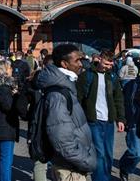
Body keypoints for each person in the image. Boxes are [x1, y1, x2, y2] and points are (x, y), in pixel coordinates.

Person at [37, 43, 96, 181]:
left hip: (75, 165)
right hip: (71, 167)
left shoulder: (67, 85)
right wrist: (85, 160)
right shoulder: (58, 94)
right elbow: (62, 139)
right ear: (64, 64)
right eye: (76, 60)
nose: (81, 64)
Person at [76, 50, 125, 181]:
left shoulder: (113, 77)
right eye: (107, 63)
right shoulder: (87, 76)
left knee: (108, 153)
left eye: (111, 64)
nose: (109, 66)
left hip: (109, 121)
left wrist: (120, 118)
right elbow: (78, 98)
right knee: (100, 153)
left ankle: (106, 177)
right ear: (99, 59)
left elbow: (118, 99)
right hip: (93, 120)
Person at [0, 60, 25, 181]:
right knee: (6, 159)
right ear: (4, 70)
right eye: (9, 68)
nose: (12, 69)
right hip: (5, 126)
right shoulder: (4, 88)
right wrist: (17, 96)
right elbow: (8, 106)